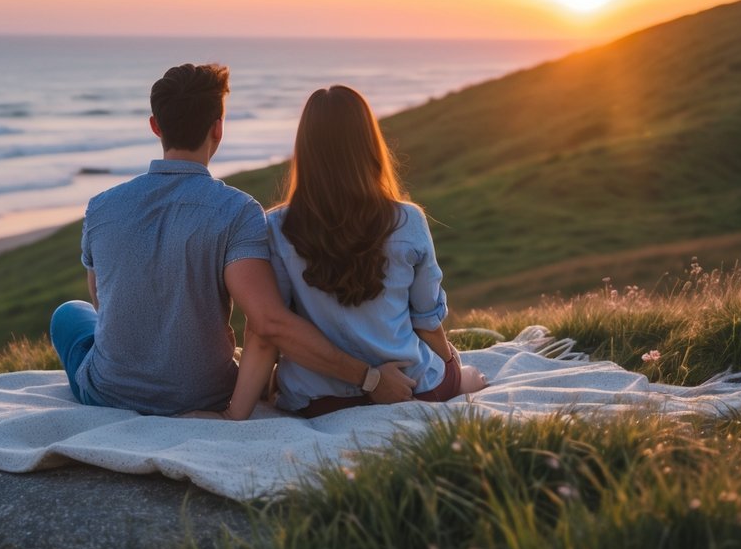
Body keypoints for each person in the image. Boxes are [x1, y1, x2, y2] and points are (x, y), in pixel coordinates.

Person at [50, 64, 416, 416]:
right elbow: (268, 323)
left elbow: (103, 300)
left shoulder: (101, 207)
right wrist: (368, 378)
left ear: (155, 126)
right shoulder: (237, 211)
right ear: (218, 128)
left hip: (110, 393)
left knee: (70, 313)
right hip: (205, 393)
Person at [226, 85, 487, 420]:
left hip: (319, 400)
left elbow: (268, 329)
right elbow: (426, 321)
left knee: (460, 372)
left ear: (305, 149)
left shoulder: (276, 227)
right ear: (369, 144)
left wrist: (245, 407)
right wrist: (450, 362)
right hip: (413, 385)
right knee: (468, 375)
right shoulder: (408, 220)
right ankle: (467, 379)